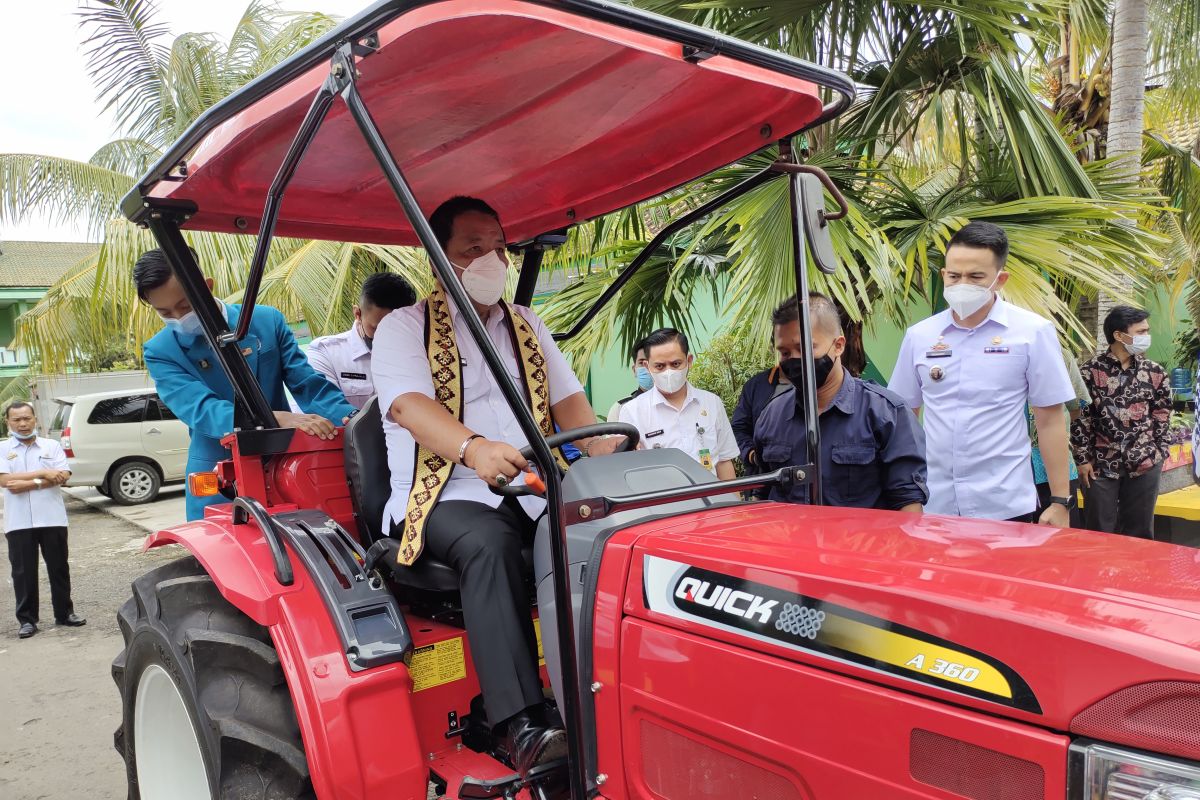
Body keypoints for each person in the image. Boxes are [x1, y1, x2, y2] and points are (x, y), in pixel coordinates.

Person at [370, 196, 625, 776]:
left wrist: (613, 453)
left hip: (531, 487)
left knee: (604, 530)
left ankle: (603, 685)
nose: (491, 260)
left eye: (498, 247)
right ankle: (520, 724)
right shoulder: (404, 329)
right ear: (438, 260)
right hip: (442, 493)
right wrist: (472, 447)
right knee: (490, 544)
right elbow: (409, 406)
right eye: (472, 249)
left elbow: (572, 410)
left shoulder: (526, 325)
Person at [135, 249, 357, 520]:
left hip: (290, 461)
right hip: (219, 475)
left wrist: (352, 419)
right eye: (165, 312)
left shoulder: (265, 321)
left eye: (184, 306)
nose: (178, 318)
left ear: (207, 286)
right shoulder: (161, 350)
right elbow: (201, 408)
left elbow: (308, 385)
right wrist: (274, 418)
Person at [888, 221, 1075, 525]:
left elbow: (1050, 420)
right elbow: (902, 417)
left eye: (976, 276)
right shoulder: (919, 336)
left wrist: (1060, 501)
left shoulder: (1032, 333)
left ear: (1000, 279)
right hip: (933, 503)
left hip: (1005, 503)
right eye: (954, 275)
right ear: (943, 275)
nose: (962, 284)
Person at [753, 294, 927, 510]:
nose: (795, 359)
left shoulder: (886, 413)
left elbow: (908, 505)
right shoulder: (772, 416)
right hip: (790, 542)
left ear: (838, 345)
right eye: (785, 352)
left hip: (862, 543)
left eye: (805, 348)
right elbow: (761, 496)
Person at [1071, 305, 1172, 537]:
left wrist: (1159, 451)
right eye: (1141, 332)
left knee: (1140, 533)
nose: (1146, 337)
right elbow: (1080, 419)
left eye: (1147, 331)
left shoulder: (1155, 373)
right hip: (1100, 466)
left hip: (1145, 463)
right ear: (1119, 335)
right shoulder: (1089, 372)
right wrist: (1083, 459)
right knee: (1099, 532)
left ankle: (1138, 574)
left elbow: (1162, 414)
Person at [0, 402, 85, 639]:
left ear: (35, 419)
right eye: (17, 420)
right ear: (8, 422)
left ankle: (65, 614)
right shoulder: (2, 448)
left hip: (52, 517)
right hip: (19, 522)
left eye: (27, 418)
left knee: (59, 567)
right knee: (23, 573)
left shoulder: (51, 445)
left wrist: (30, 483)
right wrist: (43, 472)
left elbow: (64, 475)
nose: (23, 424)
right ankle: (27, 621)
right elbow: (6, 482)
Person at [618, 327, 739, 479]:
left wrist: (735, 501)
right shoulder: (632, 412)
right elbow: (628, 472)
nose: (668, 372)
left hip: (713, 500)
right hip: (662, 501)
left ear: (689, 361)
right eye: (660, 366)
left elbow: (724, 462)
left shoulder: (711, 403)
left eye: (675, 364)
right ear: (648, 367)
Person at [305, 272, 416, 409]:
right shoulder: (325, 352)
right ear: (357, 314)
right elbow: (326, 409)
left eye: (397, 330)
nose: (388, 339)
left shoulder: (421, 352)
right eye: (377, 329)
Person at [1029, 349, 1090, 528]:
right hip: (1007, 469)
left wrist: (1051, 425)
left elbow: (1076, 405)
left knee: (1059, 538)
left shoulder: (1058, 353)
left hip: (1053, 466)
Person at [605, 339, 651, 422]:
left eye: (652, 362)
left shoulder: (676, 404)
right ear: (634, 370)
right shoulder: (620, 408)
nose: (647, 367)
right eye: (641, 363)